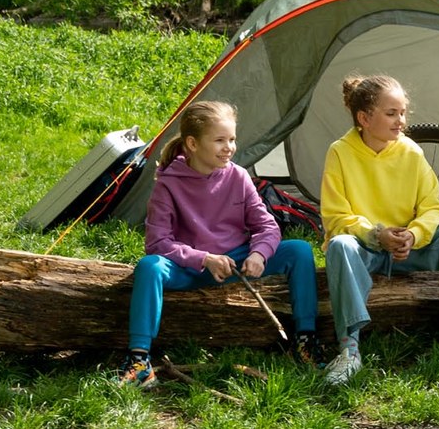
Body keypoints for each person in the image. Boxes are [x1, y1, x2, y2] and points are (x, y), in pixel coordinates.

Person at [119, 101, 320, 388]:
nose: (229, 147)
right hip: (189, 267)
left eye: (232, 139)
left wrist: (259, 254)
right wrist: (203, 258)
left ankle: (305, 341)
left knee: (299, 249)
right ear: (192, 143)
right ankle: (139, 359)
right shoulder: (168, 183)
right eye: (220, 140)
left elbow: (266, 226)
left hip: (237, 261)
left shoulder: (238, 176)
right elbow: (157, 243)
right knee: (149, 267)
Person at [319, 74, 439, 385]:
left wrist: (414, 234)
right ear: (364, 118)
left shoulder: (411, 152)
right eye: (391, 113)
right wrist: (376, 234)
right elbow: (335, 216)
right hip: (367, 248)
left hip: (409, 247)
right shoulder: (340, 152)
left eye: (403, 112)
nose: (401, 120)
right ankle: (349, 350)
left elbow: (432, 208)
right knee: (340, 245)